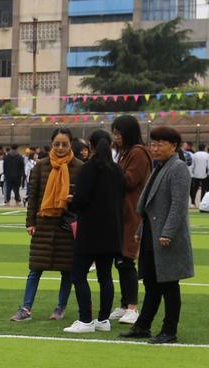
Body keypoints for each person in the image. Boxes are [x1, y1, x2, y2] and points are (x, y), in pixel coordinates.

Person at [120, 126, 196, 344]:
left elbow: (178, 206)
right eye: (153, 143)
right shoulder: (160, 167)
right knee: (152, 284)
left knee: (169, 286)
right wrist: (141, 230)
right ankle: (143, 326)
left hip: (166, 239)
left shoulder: (178, 168)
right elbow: (151, 207)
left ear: (173, 146)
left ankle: (169, 330)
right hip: (151, 236)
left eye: (160, 144)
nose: (154, 148)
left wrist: (168, 233)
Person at [10, 128, 83, 322]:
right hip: (43, 224)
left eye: (64, 144)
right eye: (56, 144)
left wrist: (73, 199)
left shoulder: (79, 167)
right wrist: (30, 222)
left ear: (71, 144)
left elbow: (85, 199)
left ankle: (60, 308)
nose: (60, 148)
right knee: (35, 269)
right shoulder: (40, 166)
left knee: (66, 270)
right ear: (51, 144)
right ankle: (26, 308)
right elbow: (32, 196)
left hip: (67, 226)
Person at [64, 130, 124, 334]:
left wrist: (72, 201)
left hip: (90, 230)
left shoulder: (89, 168)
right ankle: (103, 320)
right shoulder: (117, 170)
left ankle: (86, 320)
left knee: (78, 274)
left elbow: (81, 200)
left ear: (90, 145)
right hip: (112, 230)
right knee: (105, 276)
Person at [110, 115, 151, 324]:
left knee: (126, 260)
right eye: (114, 134)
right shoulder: (126, 153)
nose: (116, 138)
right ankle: (125, 304)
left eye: (118, 134)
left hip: (132, 214)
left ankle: (133, 308)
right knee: (120, 261)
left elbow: (129, 181)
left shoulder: (138, 153)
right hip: (122, 212)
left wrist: (109, 166)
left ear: (128, 134)